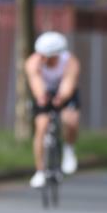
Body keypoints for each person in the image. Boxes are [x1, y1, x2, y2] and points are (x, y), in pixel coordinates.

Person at [25, 31, 81, 188]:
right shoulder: (32, 62)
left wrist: (61, 98)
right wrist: (41, 96)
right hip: (44, 92)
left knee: (70, 120)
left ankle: (69, 150)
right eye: (41, 55)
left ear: (56, 55)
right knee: (41, 126)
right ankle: (40, 171)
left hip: (64, 92)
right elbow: (35, 82)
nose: (43, 59)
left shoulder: (70, 62)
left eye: (47, 56)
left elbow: (68, 84)